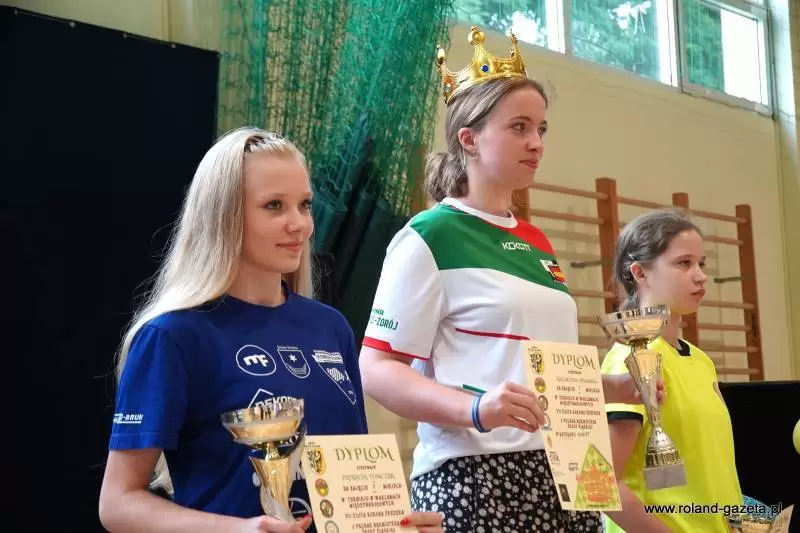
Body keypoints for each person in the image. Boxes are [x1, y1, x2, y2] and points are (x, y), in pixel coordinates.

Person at [358, 26, 660, 533]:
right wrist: (476, 408)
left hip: (566, 471)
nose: (536, 143)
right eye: (519, 127)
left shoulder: (538, 242)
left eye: (541, 129)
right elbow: (376, 368)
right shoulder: (429, 236)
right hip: (474, 477)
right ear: (469, 139)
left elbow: (539, 373)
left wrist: (614, 386)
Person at [98, 127, 444, 533]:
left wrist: (395, 523)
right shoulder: (172, 337)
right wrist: (239, 530)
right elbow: (117, 503)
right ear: (223, 216)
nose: (300, 224)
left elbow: (354, 492)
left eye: (305, 205)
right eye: (274, 206)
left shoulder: (330, 328)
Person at [600, 208, 743, 533]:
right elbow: (603, 483)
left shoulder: (701, 362)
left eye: (702, 263)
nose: (700, 276)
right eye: (684, 263)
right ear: (640, 272)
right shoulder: (632, 358)